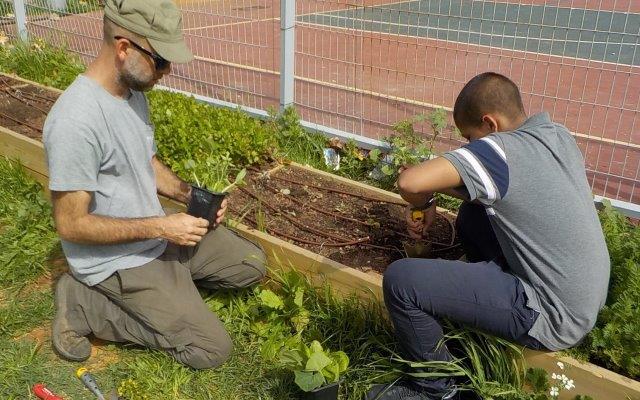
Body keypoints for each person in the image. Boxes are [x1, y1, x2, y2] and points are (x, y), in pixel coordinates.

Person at [43, 0, 266, 369]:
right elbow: (71, 224)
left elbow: (143, 160)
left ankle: (170, 290)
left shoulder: (132, 95)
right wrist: (163, 226)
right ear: (124, 48)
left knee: (250, 263)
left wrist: (187, 194)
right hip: (117, 259)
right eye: (160, 60)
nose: (167, 71)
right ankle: (85, 304)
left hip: (156, 238)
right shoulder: (74, 123)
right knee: (211, 349)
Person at [366, 72, 610, 399]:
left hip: (552, 314)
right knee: (474, 213)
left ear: (490, 124)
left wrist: (426, 201)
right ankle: (483, 299)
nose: (469, 145)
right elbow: (512, 191)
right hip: (582, 293)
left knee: (401, 281)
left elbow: (410, 182)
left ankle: (437, 390)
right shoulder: (555, 134)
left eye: (470, 137)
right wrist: (440, 196)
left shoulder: (498, 152)